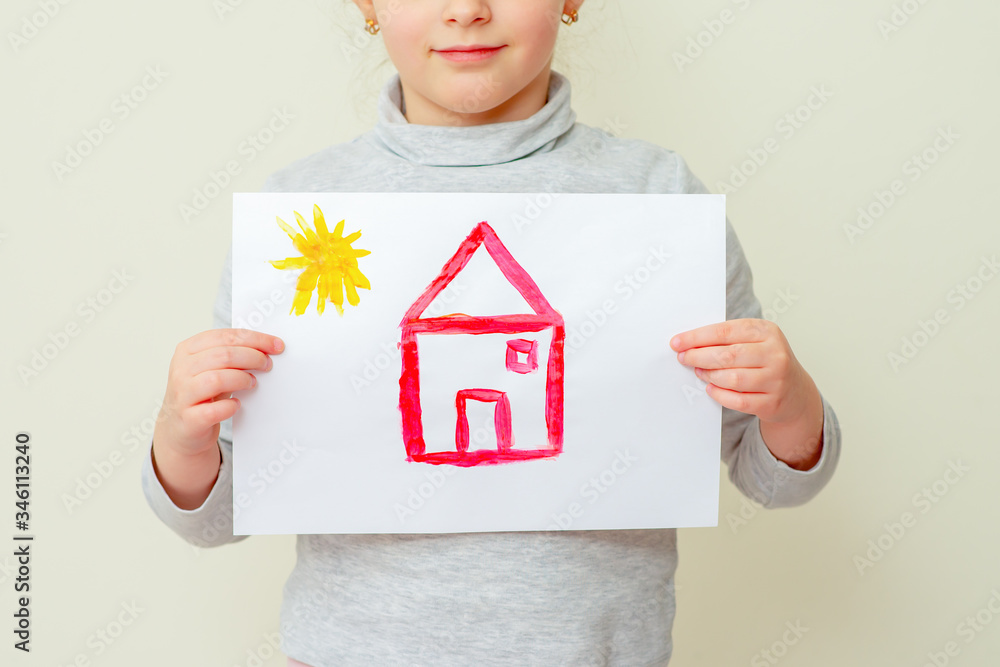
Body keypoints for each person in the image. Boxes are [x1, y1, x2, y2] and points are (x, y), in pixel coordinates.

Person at [141, 1, 843, 665]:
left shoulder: (657, 197)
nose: (467, 7)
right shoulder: (300, 217)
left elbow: (770, 479)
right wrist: (182, 431)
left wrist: (790, 400)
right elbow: (217, 516)